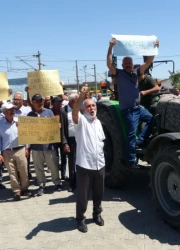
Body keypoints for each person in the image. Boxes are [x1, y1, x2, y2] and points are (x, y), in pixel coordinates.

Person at [106, 38, 158, 167]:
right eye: (126, 63)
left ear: (132, 63)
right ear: (123, 65)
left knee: (154, 119)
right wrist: (110, 47)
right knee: (130, 135)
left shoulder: (137, 72)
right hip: (128, 110)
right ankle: (130, 162)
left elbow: (149, 61)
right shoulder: (118, 73)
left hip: (138, 108)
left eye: (130, 62)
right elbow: (109, 64)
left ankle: (141, 140)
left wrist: (154, 49)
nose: (128, 64)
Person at [72, 85, 106, 233]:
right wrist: (81, 97)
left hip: (99, 165)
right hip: (84, 166)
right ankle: (80, 218)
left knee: (99, 193)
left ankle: (97, 214)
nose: (91, 108)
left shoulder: (98, 122)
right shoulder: (80, 121)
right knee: (83, 195)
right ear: (83, 109)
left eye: (93, 106)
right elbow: (74, 112)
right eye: (88, 106)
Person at [27, 94, 63, 195]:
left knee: (53, 165)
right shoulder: (29, 115)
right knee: (38, 168)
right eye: (37, 101)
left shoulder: (49, 112)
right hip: (36, 147)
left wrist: (57, 126)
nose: (40, 103)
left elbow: (54, 126)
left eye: (41, 101)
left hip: (49, 145)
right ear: (33, 103)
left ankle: (57, 182)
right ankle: (41, 185)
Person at [0, 103, 31, 201]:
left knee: (23, 170)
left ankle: (25, 188)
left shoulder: (19, 121)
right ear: (4, 112)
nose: (12, 112)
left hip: (20, 149)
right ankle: (16, 191)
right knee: (12, 172)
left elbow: (26, 134)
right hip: (7, 152)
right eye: (9, 110)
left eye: (13, 110)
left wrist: (27, 147)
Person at [61, 93, 79, 192]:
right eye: (77, 100)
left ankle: (81, 181)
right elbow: (62, 129)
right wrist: (65, 143)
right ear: (72, 101)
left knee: (81, 162)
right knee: (72, 163)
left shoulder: (81, 109)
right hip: (70, 140)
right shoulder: (64, 111)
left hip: (81, 139)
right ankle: (72, 183)